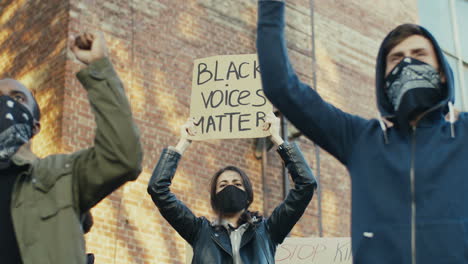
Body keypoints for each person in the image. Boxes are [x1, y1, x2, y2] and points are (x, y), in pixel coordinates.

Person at [256, 0, 466, 263]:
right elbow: (281, 87)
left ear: (443, 73)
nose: (408, 63)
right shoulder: (361, 140)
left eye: (419, 54)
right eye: (397, 59)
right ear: (384, 79)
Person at [0, 31, 143, 263]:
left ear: (35, 126)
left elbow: (122, 157)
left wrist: (99, 68)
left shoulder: (60, 175)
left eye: (17, 99)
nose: (5, 104)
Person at [147, 113, 316, 264]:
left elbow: (306, 184)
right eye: (223, 185)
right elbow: (158, 189)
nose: (230, 187)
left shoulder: (268, 231)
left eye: (236, 184)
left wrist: (276, 138)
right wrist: (183, 143)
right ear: (214, 197)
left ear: (248, 194)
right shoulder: (199, 232)